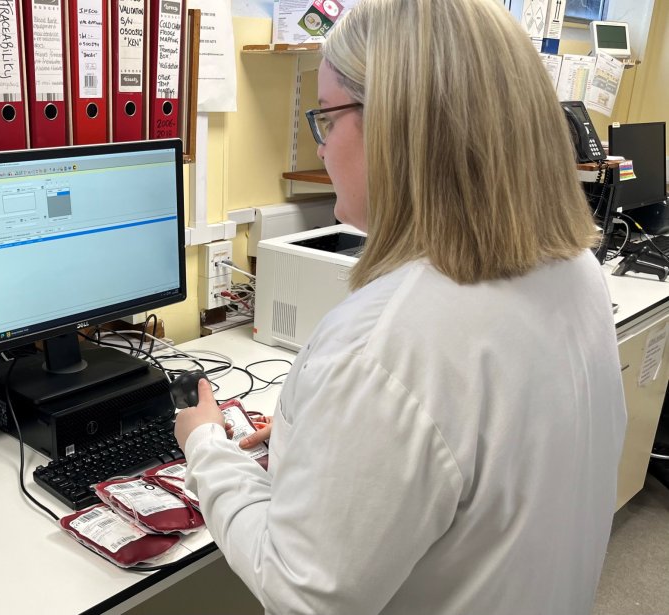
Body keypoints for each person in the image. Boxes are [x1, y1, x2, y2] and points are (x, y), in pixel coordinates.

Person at [174, 0, 627, 612]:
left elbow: (299, 590)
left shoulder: (389, 342)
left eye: (327, 119)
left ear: (396, 125)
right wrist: (331, 437)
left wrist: (207, 450)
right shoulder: (574, 270)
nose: (324, 149)